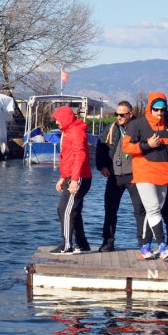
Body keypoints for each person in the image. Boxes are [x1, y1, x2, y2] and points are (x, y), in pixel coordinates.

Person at [123, 92, 168, 260]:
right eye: (156, 109)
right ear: (150, 107)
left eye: (162, 110)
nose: (159, 113)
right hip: (144, 173)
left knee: (153, 212)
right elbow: (127, 147)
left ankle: (145, 247)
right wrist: (146, 145)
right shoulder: (137, 124)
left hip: (165, 174)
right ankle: (163, 247)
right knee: (154, 208)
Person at [95, 101, 146, 252]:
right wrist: (102, 166)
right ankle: (108, 242)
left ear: (131, 114)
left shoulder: (140, 127)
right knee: (110, 210)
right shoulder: (111, 128)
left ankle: (144, 244)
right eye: (116, 114)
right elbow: (100, 148)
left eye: (122, 115)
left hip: (134, 175)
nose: (119, 117)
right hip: (114, 176)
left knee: (140, 210)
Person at [50, 106, 92, 255]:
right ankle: (83, 244)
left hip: (79, 177)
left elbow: (80, 156)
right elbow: (68, 158)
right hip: (72, 176)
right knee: (73, 211)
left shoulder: (75, 132)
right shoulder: (68, 132)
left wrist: (74, 180)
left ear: (66, 118)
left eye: (58, 120)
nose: (56, 123)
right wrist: (63, 178)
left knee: (64, 210)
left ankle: (67, 245)